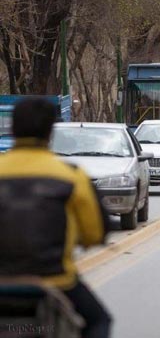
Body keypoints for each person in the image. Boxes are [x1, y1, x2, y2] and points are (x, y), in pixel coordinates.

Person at [0, 98, 112, 338]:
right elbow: (95, 233)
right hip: (56, 281)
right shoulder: (71, 175)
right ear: (50, 131)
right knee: (100, 321)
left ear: (13, 129)